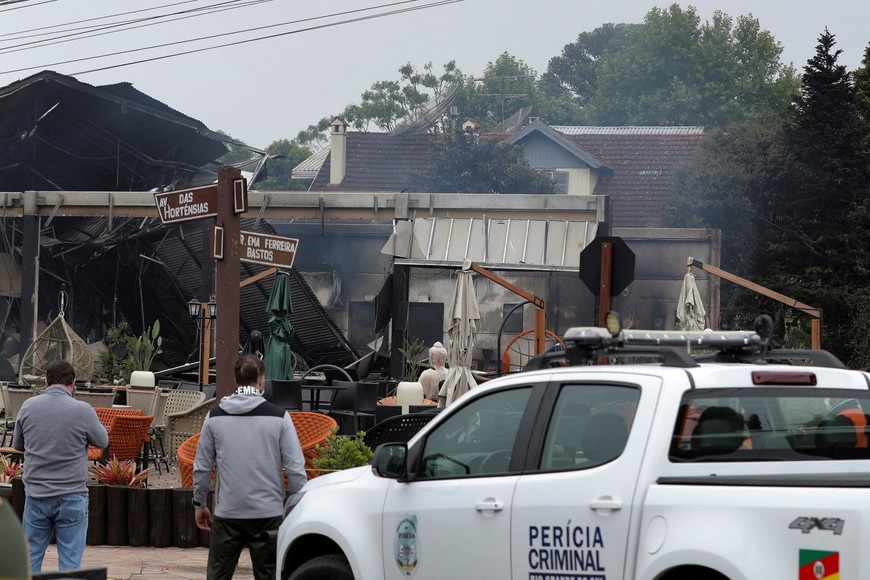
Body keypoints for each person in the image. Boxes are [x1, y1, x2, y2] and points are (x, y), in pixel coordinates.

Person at [193, 354, 307, 580]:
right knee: (269, 575)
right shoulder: (280, 417)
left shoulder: (214, 417)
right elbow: (296, 468)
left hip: (227, 513)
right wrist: (298, 506)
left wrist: (199, 503)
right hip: (268, 513)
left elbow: (202, 466)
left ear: (236, 380)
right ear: (261, 380)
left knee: (217, 576)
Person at [12, 359, 109, 572]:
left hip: (37, 495)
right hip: (71, 495)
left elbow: (18, 445)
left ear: (46, 382)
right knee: (70, 566)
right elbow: (103, 441)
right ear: (73, 383)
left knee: (29, 563)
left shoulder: (28, 406)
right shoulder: (83, 410)